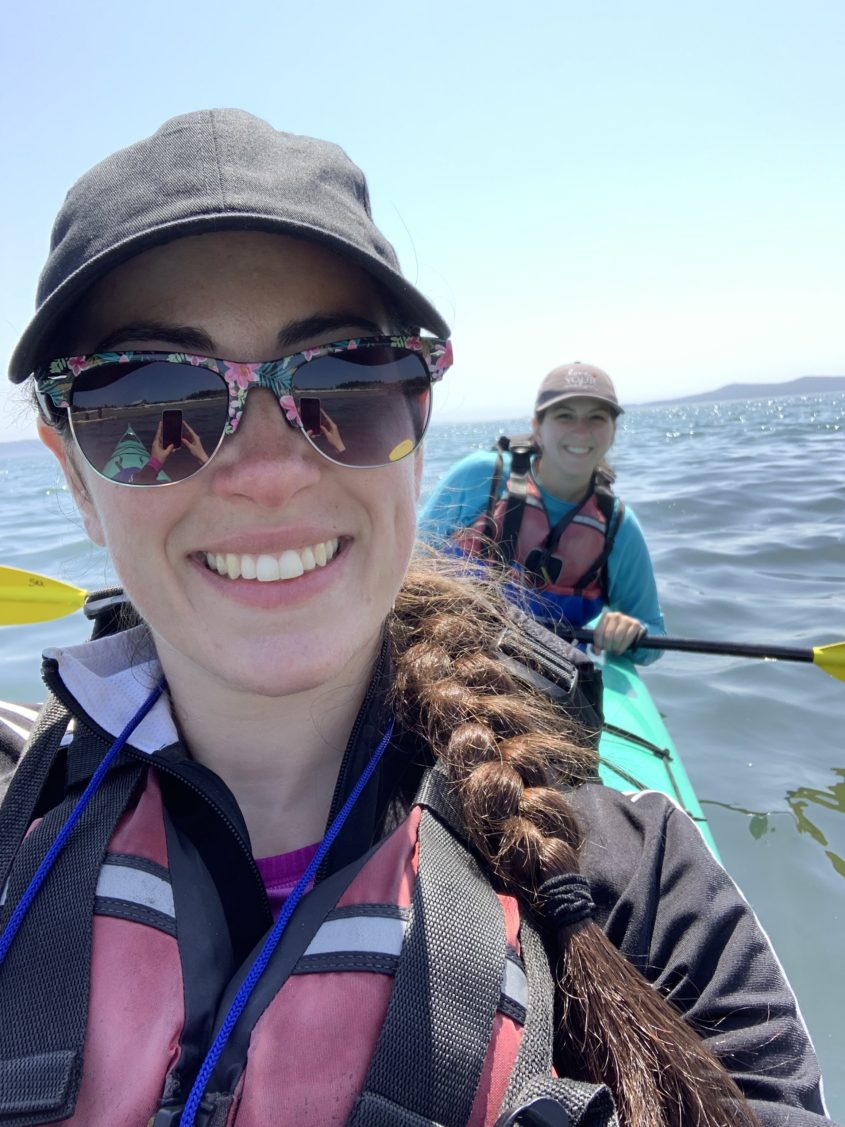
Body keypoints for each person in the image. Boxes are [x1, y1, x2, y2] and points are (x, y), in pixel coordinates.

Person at [0, 109, 832, 1127]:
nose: (265, 473)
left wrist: (615, 634)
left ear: (415, 421)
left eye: (347, 379)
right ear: (72, 474)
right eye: (148, 402)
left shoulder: (641, 890)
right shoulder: (15, 831)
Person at [419, 363, 666, 662]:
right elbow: (405, 570)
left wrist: (629, 630)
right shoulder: (482, 476)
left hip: (548, 684)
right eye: (565, 416)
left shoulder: (618, 527)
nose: (581, 431)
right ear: (537, 427)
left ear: (613, 432)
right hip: (445, 656)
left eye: (596, 418)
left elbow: (655, 637)